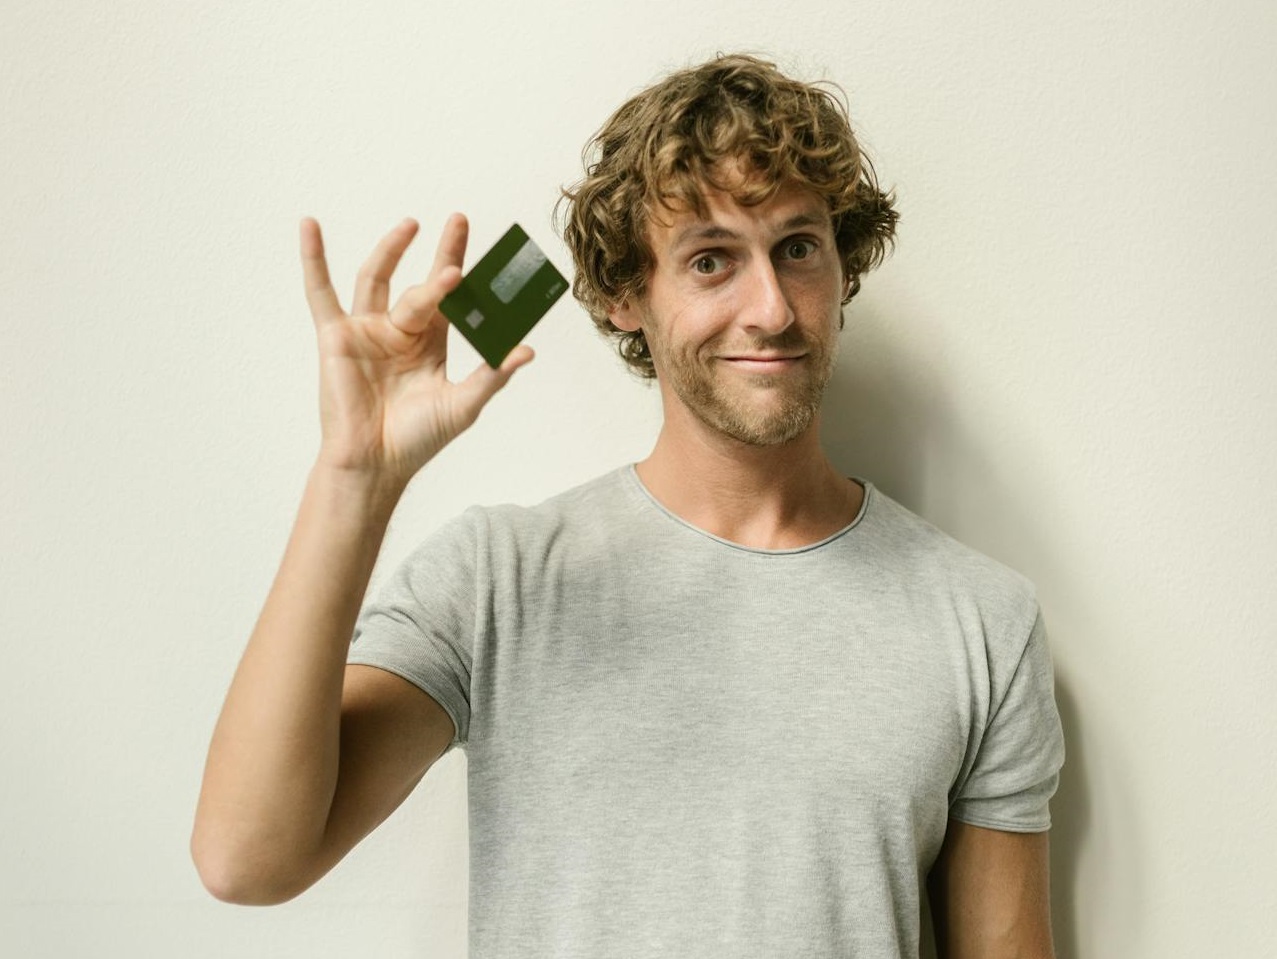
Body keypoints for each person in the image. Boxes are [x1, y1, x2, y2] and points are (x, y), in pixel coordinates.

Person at [192, 53, 1065, 959]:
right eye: (710, 260)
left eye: (798, 248)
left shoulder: (980, 620)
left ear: (841, 266)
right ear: (624, 296)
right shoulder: (497, 579)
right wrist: (353, 481)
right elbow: (246, 860)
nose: (771, 308)